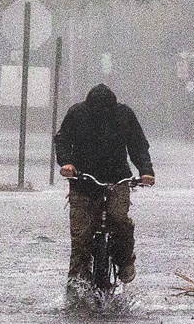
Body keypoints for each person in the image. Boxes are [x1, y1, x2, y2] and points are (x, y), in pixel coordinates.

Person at [54, 83, 155, 284]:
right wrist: (66, 163)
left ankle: (125, 260)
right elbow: (63, 140)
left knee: (119, 219)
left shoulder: (124, 115)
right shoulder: (77, 114)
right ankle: (76, 285)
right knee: (81, 239)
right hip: (83, 181)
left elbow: (137, 145)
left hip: (117, 178)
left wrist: (145, 171)